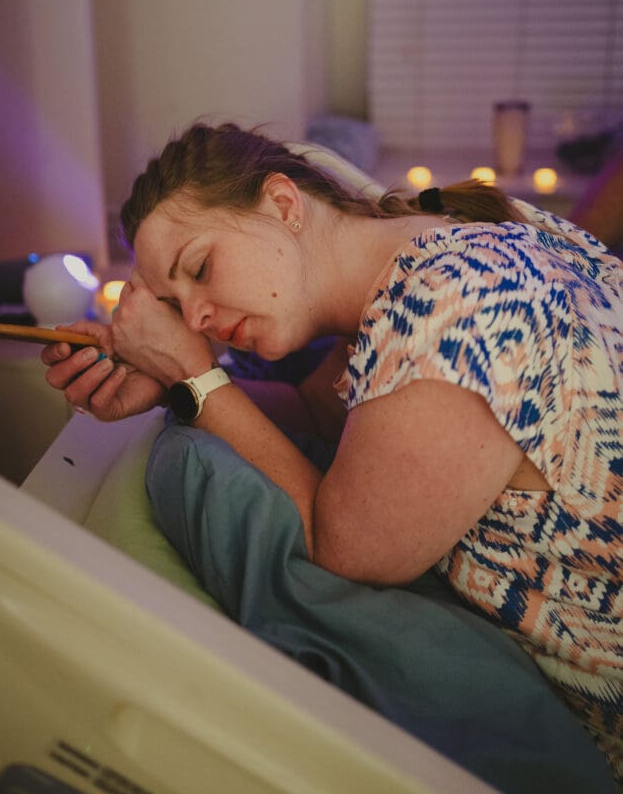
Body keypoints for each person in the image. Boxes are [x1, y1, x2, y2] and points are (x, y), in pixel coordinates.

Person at [42, 121, 622, 783]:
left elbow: (342, 548)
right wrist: (171, 382)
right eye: (177, 304)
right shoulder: (425, 254)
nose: (196, 319)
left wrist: (198, 377)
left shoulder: (456, 310)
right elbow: (324, 412)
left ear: (282, 203)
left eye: (200, 269)